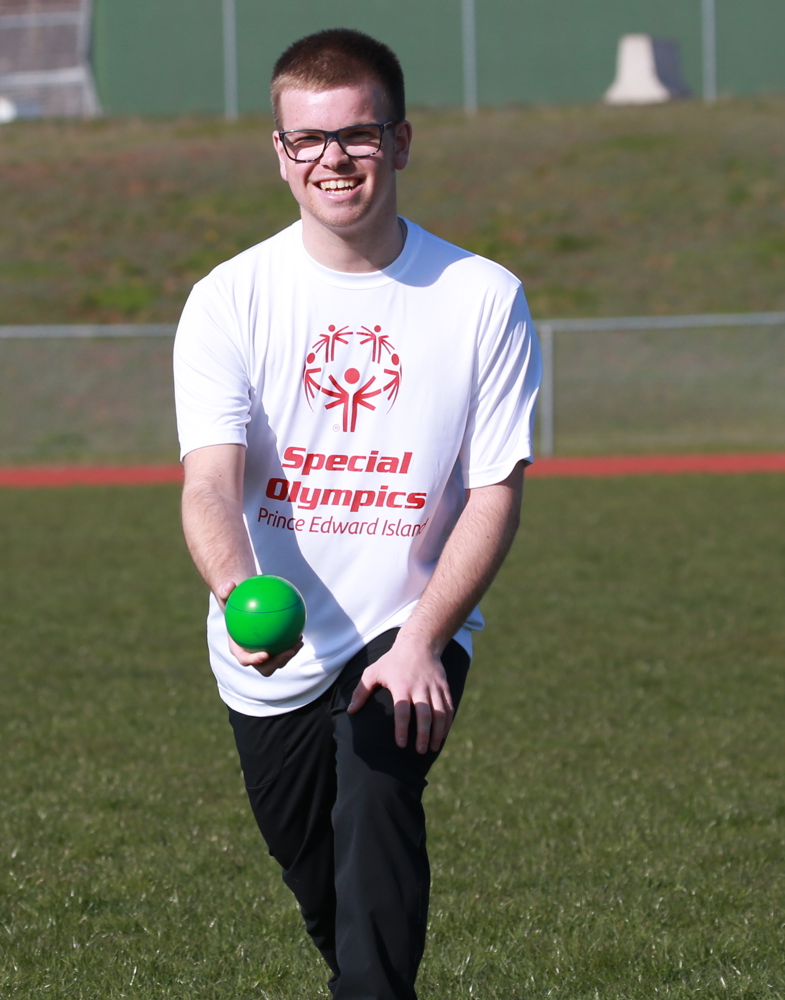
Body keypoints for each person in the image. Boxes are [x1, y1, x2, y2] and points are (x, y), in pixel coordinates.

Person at [173, 27, 540, 1000]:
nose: (333, 158)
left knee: (377, 790)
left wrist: (424, 638)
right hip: (272, 640)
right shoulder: (229, 299)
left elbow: (494, 490)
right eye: (308, 140)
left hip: (408, 620)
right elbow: (209, 484)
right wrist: (236, 584)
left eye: (358, 134)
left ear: (401, 141)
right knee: (322, 884)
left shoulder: (480, 298)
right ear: (280, 154)